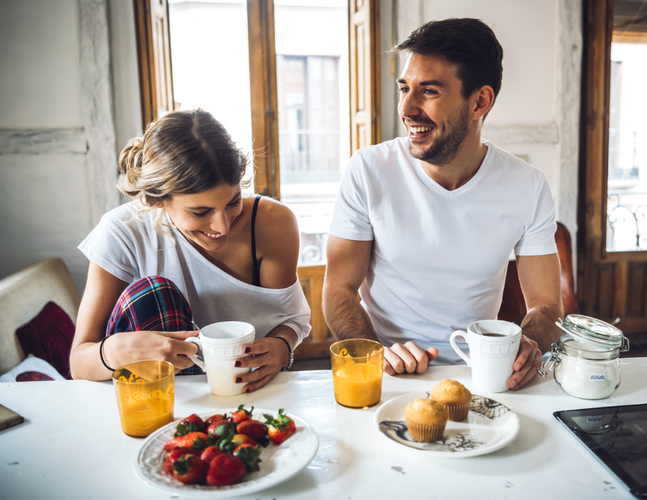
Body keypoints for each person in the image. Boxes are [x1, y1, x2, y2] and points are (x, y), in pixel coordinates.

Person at [322, 18, 563, 391]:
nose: (407, 108)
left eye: (429, 92)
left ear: (479, 101)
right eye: (405, 88)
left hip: (483, 376)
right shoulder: (368, 170)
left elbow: (547, 305)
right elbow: (338, 290)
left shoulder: (528, 186)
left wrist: (528, 343)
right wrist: (375, 351)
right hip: (387, 374)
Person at [69, 109, 311, 393]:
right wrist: (116, 351)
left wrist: (282, 347)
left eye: (233, 202)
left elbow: (290, 319)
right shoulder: (122, 232)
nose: (222, 226)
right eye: (201, 211)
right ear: (158, 199)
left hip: (246, 389)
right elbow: (79, 363)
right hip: (159, 395)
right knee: (155, 292)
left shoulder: (272, 224)